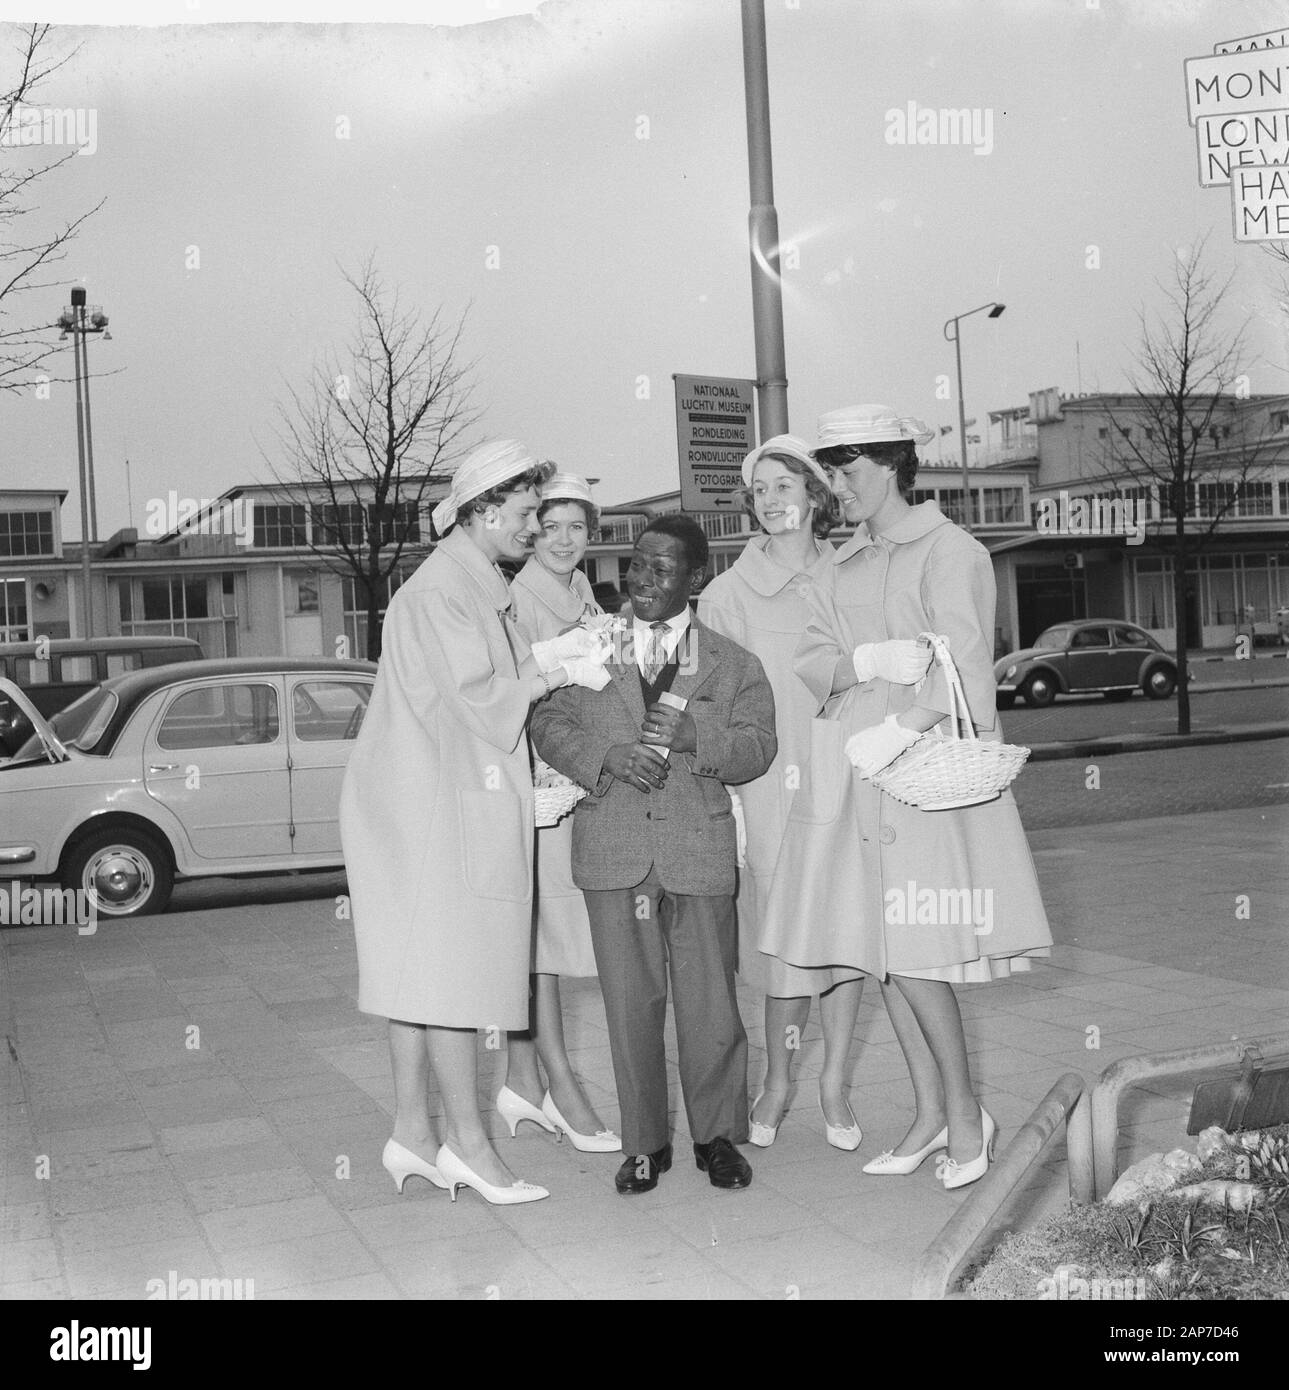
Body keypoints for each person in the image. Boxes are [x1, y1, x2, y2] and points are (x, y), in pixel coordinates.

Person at [778, 405, 1052, 1191]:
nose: (837, 488)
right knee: (886, 959)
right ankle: (930, 1113)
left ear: (895, 464)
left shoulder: (950, 549)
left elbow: (966, 663)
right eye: (830, 472)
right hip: (857, 771)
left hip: (920, 774)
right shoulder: (838, 562)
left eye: (850, 469)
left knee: (917, 952)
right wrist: (863, 659)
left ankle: (967, 1117)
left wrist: (900, 727)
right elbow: (813, 656)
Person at [339, 440, 611, 1207]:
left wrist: (547, 659)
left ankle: (412, 1134)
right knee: (449, 979)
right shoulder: (448, 591)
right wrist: (556, 667)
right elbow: (480, 702)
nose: (534, 528)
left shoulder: (463, 584)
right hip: (429, 805)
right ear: (483, 511)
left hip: (419, 799)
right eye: (526, 514)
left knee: (416, 977)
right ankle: (466, 1143)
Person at [529, 515, 777, 1195]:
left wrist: (700, 734)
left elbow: (758, 746)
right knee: (629, 1004)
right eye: (636, 565)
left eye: (661, 569)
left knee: (710, 1007)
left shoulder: (732, 662)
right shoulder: (583, 649)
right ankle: (643, 1144)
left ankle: (717, 1137)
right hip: (613, 852)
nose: (641, 580)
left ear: (696, 578)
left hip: (696, 852)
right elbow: (545, 721)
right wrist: (602, 758)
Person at [698, 437, 881, 1151]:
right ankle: (778, 1079)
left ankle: (834, 1082)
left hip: (844, 777)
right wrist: (729, 799)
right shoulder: (725, 595)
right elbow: (710, 708)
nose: (773, 500)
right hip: (769, 790)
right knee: (780, 947)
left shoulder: (850, 574)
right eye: (761, 490)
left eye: (785, 486)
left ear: (813, 496)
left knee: (841, 933)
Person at [499, 472, 621, 1153]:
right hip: (540, 779)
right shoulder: (518, 597)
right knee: (537, 936)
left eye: (577, 526)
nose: (564, 540)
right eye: (550, 527)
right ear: (531, 532)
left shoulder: (583, 595)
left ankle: (520, 1080)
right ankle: (560, 1082)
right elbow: (521, 687)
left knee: (543, 932)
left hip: (573, 782)